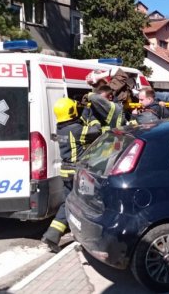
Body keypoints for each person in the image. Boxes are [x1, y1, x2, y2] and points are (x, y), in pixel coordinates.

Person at [42, 97, 101, 252]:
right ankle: (86, 238)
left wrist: (86, 110)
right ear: (71, 111)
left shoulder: (61, 127)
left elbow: (77, 122)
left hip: (66, 172)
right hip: (77, 173)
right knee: (85, 206)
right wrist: (93, 117)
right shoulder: (75, 130)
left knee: (67, 203)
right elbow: (96, 131)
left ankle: (52, 234)